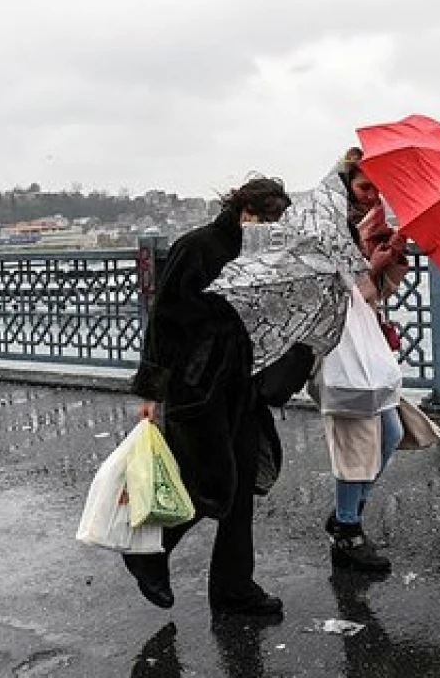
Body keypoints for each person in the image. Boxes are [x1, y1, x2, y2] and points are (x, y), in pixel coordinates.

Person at [123, 175, 295, 617]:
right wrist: (151, 388)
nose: (270, 229)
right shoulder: (197, 247)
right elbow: (165, 318)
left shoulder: (266, 255)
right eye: (266, 219)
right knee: (212, 482)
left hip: (242, 384)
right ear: (245, 211)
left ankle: (234, 589)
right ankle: (149, 552)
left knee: (238, 492)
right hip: (197, 385)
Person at [321, 147, 411, 573]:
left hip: (367, 345)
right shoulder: (327, 230)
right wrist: (366, 265)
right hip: (340, 347)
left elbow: (379, 294)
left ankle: (345, 515)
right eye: (363, 186)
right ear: (346, 184)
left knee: (389, 434)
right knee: (357, 442)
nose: (373, 195)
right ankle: (348, 530)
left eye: (378, 187)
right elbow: (330, 297)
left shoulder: (368, 225)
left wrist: (390, 259)